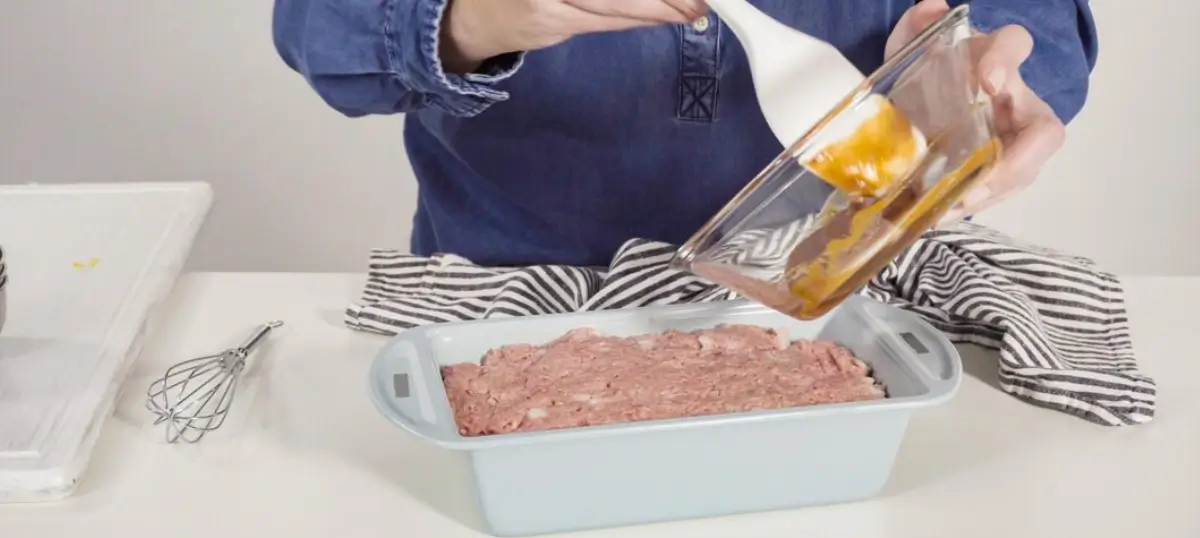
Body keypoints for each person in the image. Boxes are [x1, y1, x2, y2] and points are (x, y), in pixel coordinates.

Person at [272, 0, 1096, 267]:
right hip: (502, 295)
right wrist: (469, 19)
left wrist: (968, 64)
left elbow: (1034, 30)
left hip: (854, 300)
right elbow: (321, 26)